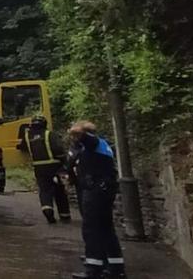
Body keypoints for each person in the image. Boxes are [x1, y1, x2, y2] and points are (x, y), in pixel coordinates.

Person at [69, 120, 124, 279]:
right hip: (105, 189)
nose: (74, 138)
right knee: (106, 228)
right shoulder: (102, 144)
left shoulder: (91, 141)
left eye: (77, 136)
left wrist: (79, 129)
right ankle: (116, 267)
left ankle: (93, 269)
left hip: (96, 191)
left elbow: (77, 131)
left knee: (91, 228)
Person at [18, 116, 71, 224]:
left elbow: (22, 147)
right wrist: (64, 163)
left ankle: (47, 209)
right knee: (59, 190)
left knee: (45, 190)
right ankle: (64, 215)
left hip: (39, 168)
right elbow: (58, 148)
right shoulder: (50, 134)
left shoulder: (27, 136)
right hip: (54, 166)